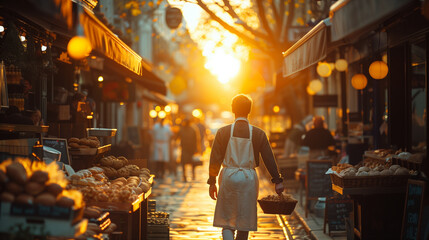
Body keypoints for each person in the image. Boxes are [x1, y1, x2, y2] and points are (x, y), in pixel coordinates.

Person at [208, 94, 284, 240]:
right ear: (249, 110)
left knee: (227, 221)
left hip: (228, 177)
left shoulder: (222, 132)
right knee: (244, 223)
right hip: (249, 179)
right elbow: (269, 158)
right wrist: (277, 180)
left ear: (232, 109)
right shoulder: (259, 133)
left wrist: (212, 182)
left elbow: (215, 159)